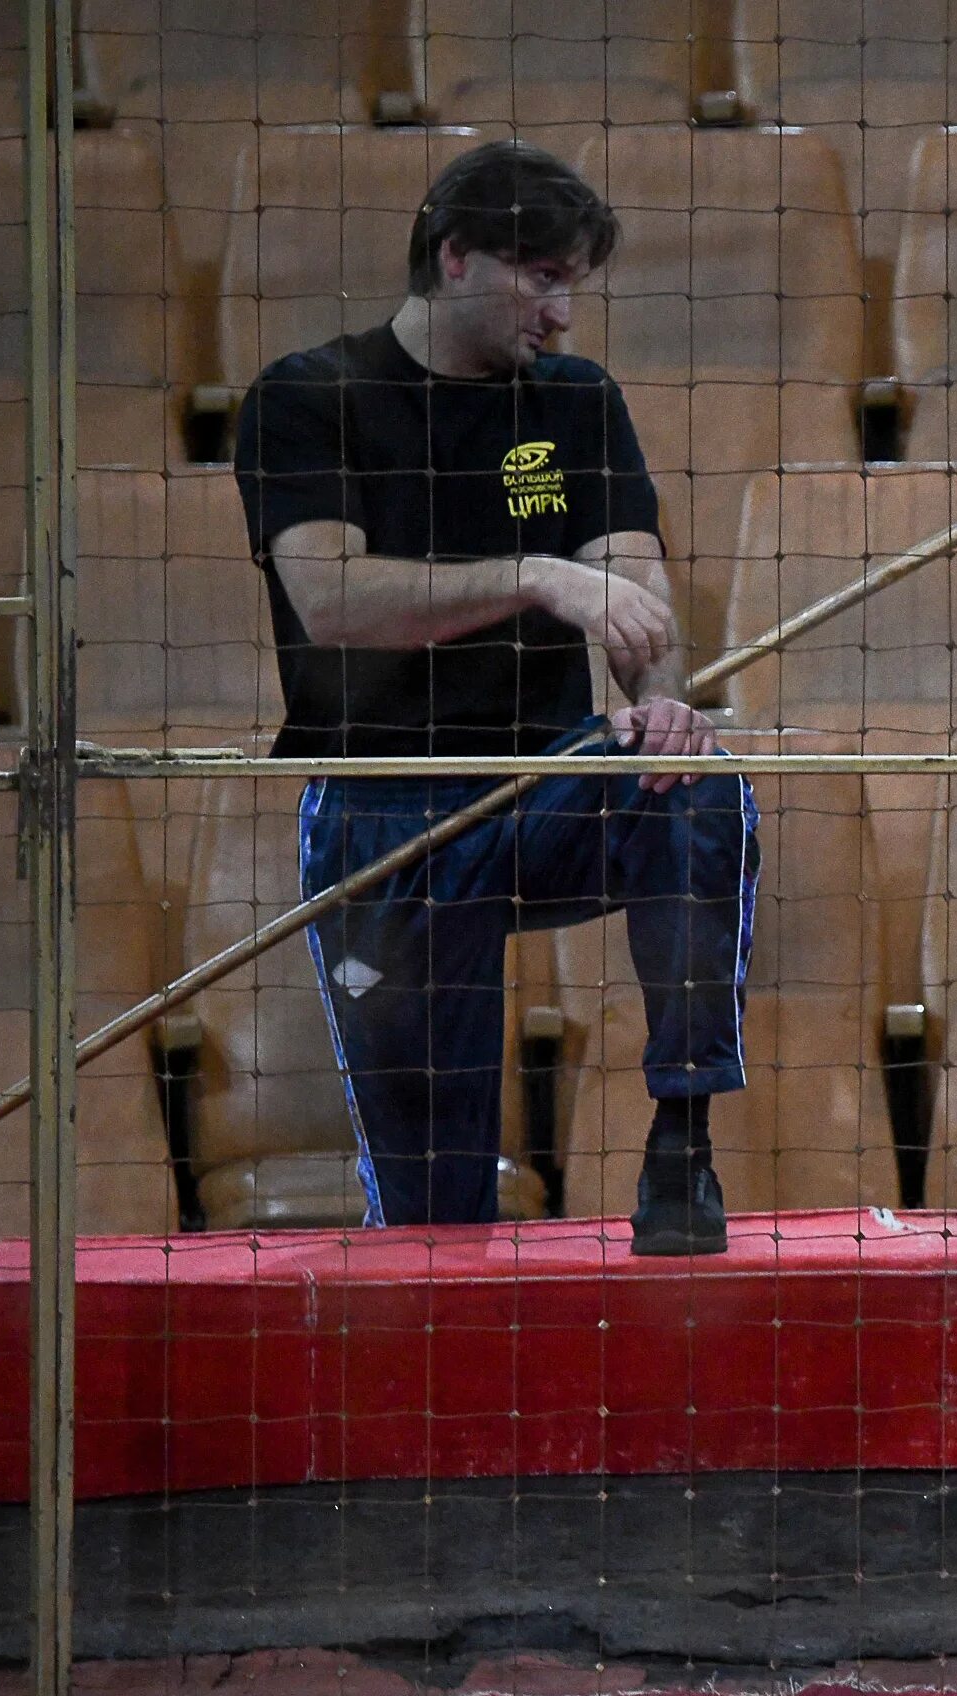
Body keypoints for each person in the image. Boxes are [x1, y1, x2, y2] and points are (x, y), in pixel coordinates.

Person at [233, 139, 751, 1256]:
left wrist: (663, 699)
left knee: (692, 783)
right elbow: (327, 599)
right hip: (384, 805)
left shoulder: (576, 402)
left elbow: (638, 599)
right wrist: (534, 574)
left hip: (545, 782)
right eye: (543, 278)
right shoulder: (306, 395)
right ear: (455, 255)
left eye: (573, 283)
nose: (563, 314)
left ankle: (684, 1138)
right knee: (434, 1216)